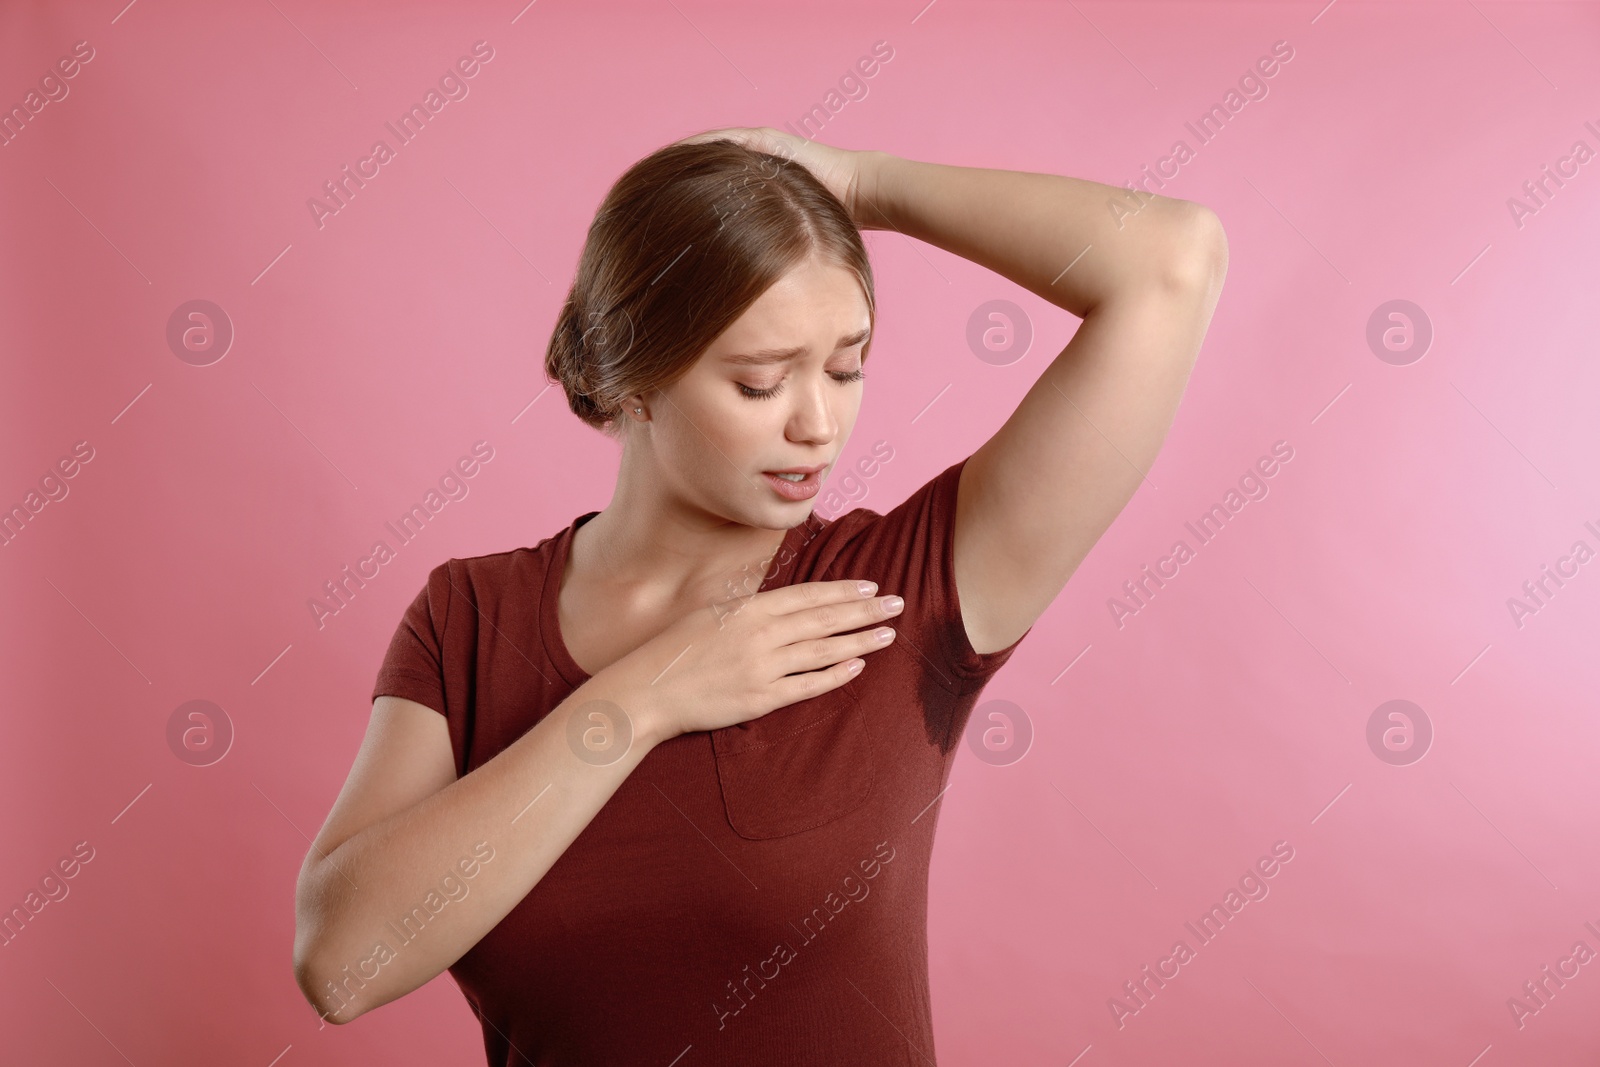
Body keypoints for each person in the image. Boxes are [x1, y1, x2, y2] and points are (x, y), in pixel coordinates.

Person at [292, 125, 1226, 1064]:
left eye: (847, 367)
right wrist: (644, 695)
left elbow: (1174, 261)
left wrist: (867, 185)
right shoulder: (472, 617)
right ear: (635, 379)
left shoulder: (903, 589)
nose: (818, 424)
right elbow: (341, 963)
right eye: (759, 382)